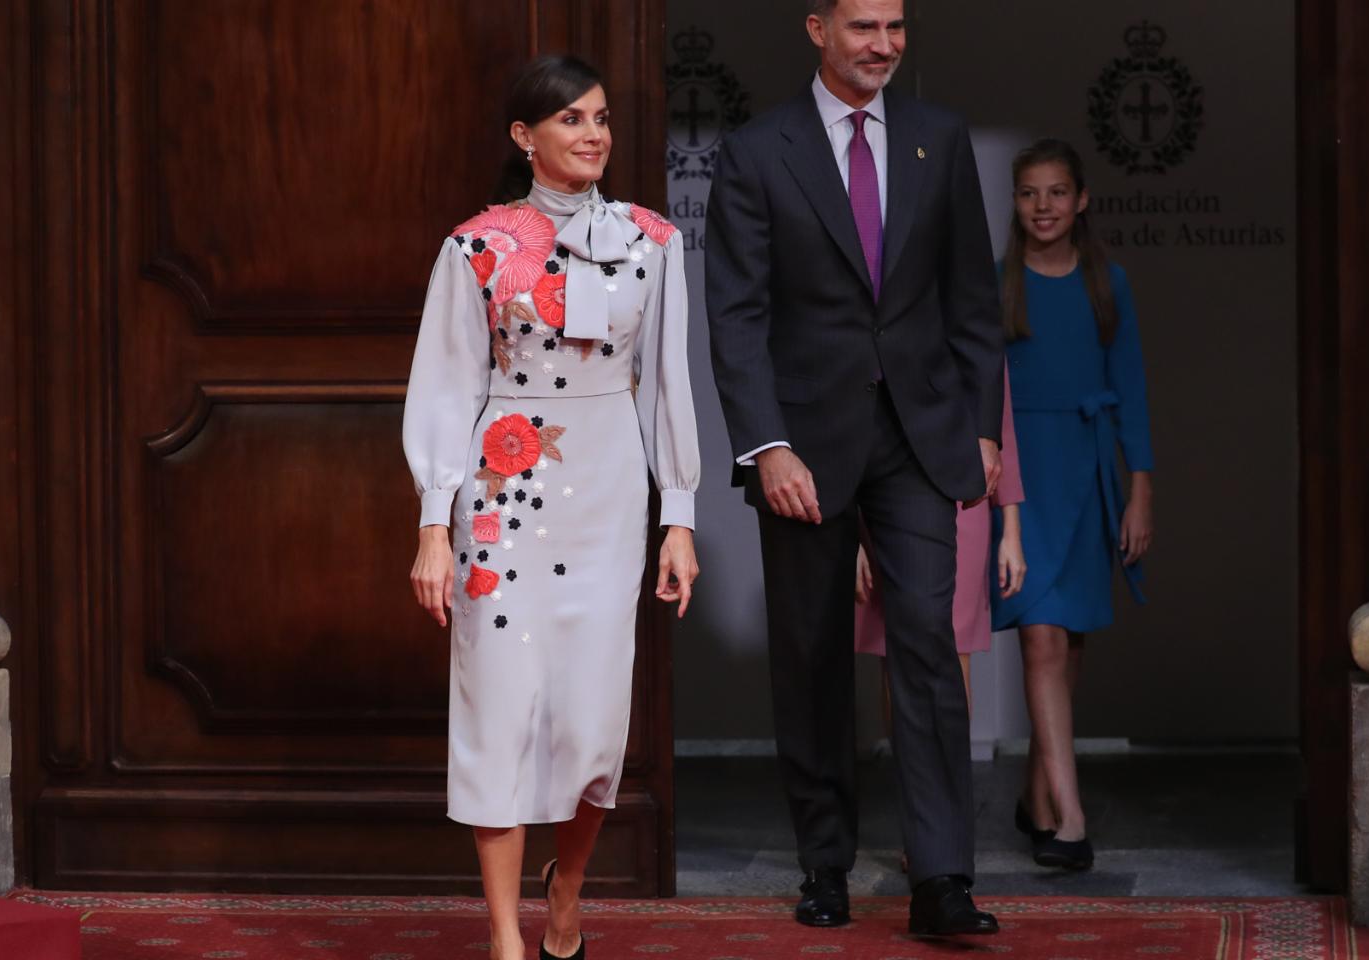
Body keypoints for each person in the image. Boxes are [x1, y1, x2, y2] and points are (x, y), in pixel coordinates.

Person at [706, 0, 1003, 938]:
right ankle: (825, 864)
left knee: (926, 643)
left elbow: (971, 295)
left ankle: (943, 879)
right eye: (865, 26)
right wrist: (767, 444)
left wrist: (983, 425)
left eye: (897, 27)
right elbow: (737, 317)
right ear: (817, 29)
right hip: (804, 445)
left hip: (920, 436)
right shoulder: (758, 151)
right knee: (814, 656)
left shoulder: (938, 137)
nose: (884, 44)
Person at [403, 54, 700, 960]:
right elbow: (447, 388)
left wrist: (677, 515)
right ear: (525, 138)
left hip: (610, 495)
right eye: (571, 119)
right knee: (496, 709)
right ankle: (503, 939)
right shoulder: (475, 247)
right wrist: (432, 527)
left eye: (601, 117)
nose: (594, 134)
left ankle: (565, 889)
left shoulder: (654, 241)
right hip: (502, 499)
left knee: (593, 721)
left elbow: (667, 388)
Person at [990, 138, 1154, 872]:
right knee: (1039, 638)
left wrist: (1139, 488)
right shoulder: (997, 286)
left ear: (1081, 199)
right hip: (1023, 478)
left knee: (1070, 643)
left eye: (1057, 192)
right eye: (1030, 193)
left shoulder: (1106, 283)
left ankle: (1036, 795)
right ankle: (1071, 818)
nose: (1044, 206)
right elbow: (981, 395)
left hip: (1088, 475)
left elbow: (1135, 393)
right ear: (1015, 202)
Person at [854, 369, 1027, 716]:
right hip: (883, 497)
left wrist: (1011, 530)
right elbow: (855, 419)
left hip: (964, 500)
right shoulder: (876, 322)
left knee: (952, 647)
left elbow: (1000, 423)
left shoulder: (971, 323)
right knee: (895, 650)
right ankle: (907, 769)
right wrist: (853, 536)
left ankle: (950, 770)